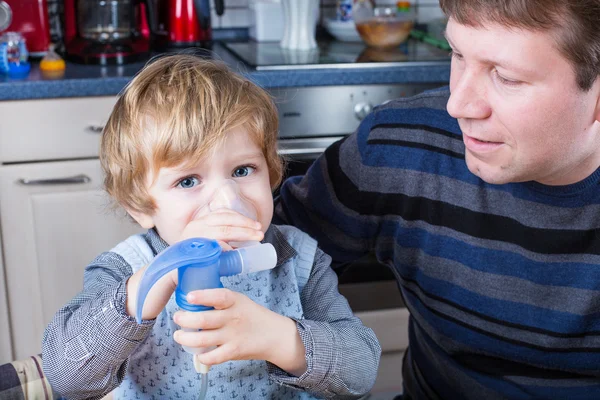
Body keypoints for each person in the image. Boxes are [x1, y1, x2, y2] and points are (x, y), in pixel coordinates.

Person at [272, 0, 600, 399]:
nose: (457, 104)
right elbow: (265, 265)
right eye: (458, 55)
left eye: (506, 77)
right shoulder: (399, 144)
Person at [41, 54, 381, 400]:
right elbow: (67, 378)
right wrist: (151, 282)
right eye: (188, 181)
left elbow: (362, 371)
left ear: (271, 172)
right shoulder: (126, 267)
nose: (225, 200)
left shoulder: (298, 260)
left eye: (242, 170)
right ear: (141, 206)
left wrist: (280, 338)